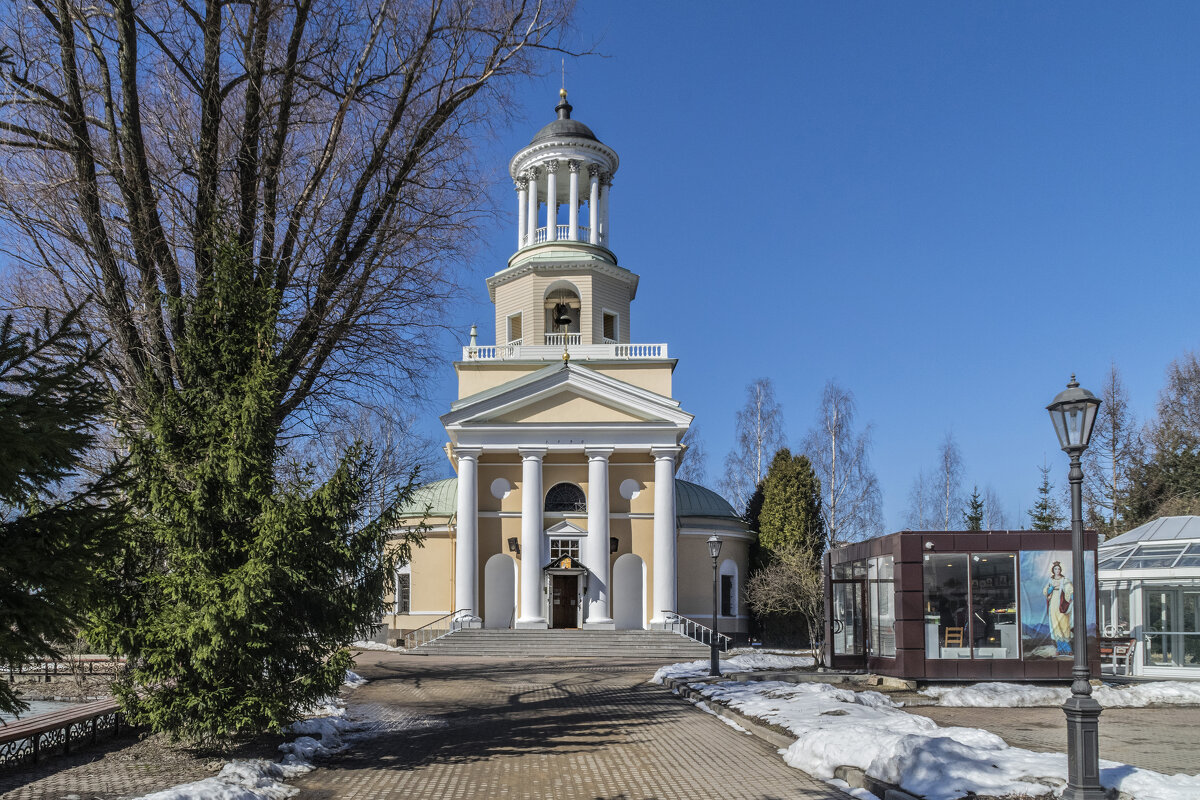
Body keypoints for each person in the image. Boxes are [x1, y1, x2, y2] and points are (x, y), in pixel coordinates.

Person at [1043, 561, 1073, 655]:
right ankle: (1060, 649)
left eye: (1059, 569)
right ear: (1053, 570)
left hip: (1062, 602)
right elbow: (1045, 591)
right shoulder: (1050, 580)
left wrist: (1071, 594)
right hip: (1053, 603)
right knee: (1056, 625)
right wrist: (1049, 590)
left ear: (1061, 570)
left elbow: (1070, 589)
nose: (1057, 570)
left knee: (1064, 624)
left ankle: (1068, 649)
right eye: (1055, 569)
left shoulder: (1065, 580)